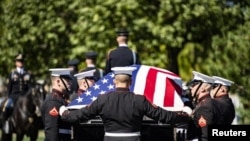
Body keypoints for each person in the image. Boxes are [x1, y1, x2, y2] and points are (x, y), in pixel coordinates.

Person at [59, 66, 192, 141]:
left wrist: (64, 112)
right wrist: (184, 114)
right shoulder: (139, 100)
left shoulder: (103, 99)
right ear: (131, 82)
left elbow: (80, 115)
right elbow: (164, 116)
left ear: (114, 82)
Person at [1, 53, 35, 134]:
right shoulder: (12, 74)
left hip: (25, 96)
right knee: (6, 107)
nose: (20, 63)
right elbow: (9, 87)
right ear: (16, 62)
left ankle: (35, 127)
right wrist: (8, 97)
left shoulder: (28, 74)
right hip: (14, 96)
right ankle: (6, 125)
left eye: (22, 61)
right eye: (19, 61)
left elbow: (30, 86)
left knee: (36, 109)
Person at [186, 71, 220, 141]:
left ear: (202, 89)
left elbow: (205, 135)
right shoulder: (207, 102)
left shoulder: (204, 107)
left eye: (194, 85)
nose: (191, 88)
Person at [41, 68, 73, 141]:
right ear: (58, 81)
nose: (70, 83)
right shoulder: (53, 102)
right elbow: (51, 133)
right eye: (67, 80)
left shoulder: (60, 99)